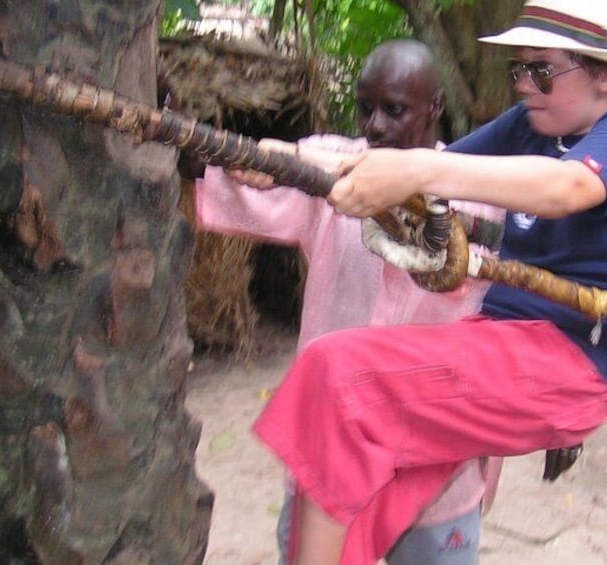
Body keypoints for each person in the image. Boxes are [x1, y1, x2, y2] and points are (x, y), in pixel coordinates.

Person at [251, 1, 607, 563]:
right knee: (363, 496)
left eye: (542, 70)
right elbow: (423, 168)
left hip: (575, 362)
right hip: (502, 337)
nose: (525, 85)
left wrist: (419, 170)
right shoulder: (537, 122)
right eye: (518, 69)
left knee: (338, 374)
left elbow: (563, 189)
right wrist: (289, 161)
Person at [196, 39, 505, 564]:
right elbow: (244, 178)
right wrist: (190, 150)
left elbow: (510, 327)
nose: (377, 125)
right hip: (331, 462)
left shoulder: (478, 192)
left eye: (396, 109)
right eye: (366, 108)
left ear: (435, 107)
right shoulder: (331, 169)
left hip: (434, 472)